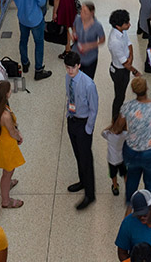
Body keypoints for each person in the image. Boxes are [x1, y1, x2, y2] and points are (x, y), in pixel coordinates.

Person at [117, 77, 151, 203]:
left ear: (133, 90)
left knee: (132, 178)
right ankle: (148, 205)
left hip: (132, 151)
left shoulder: (127, 107)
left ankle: (131, 203)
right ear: (147, 89)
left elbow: (118, 127)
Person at [63, 50, 99, 209]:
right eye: (67, 67)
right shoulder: (68, 78)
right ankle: (82, 181)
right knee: (77, 154)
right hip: (72, 120)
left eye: (73, 67)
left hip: (84, 123)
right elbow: (69, 97)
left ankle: (90, 195)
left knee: (86, 158)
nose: (70, 71)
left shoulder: (88, 84)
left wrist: (88, 129)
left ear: (79, 65)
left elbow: (94, 108)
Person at [10, 0, 52, 80]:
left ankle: (25, 63)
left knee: (23, 40)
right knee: (39, 43)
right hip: (35, 19)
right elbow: (42, 1)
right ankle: (38, 69)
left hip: (22, 18)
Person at [0, 80, 25, 209]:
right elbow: (12, 132)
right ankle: (6, 201)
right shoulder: (5, 115)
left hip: (0, 142)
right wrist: (18, 137)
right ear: (6, 94)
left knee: (8, 169)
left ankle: (7, 184)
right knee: (8, 171)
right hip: (7, 146)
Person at [108, 9, 141, 122]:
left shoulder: (122, 31)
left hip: (125, 67)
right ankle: (115, 118)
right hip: (119, 72)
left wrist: (130, 57)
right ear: (118, 25)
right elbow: (125, 64)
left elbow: (129, 44)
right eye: (127, 23)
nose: (129, 24)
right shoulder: (114, 41)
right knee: (119, 96)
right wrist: (135, 71)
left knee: (122, 93)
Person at [72, 0, 106, 80]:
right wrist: (74, 34)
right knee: (75, 78)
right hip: (76, 55)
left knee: (88, 79)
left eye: (85, 12)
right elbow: (74, 27)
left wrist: (90, 45)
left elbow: (102, 40)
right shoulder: (78, 18)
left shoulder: (97, 26)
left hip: (90, 58)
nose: (82, 14)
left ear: (92, 13)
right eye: (81, 11)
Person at [103, 116, 129, 197]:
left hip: (111, 160)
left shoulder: (109, 134)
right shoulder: (125, 135)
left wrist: (111, 126)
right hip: (122, 159)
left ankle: (115, 187)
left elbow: (103, 132)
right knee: (125, 173)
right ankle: (128, 187)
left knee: (113, 174)